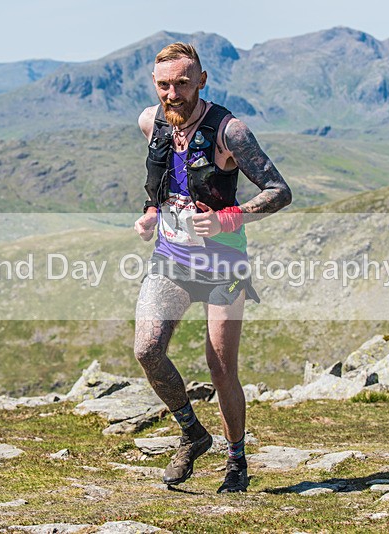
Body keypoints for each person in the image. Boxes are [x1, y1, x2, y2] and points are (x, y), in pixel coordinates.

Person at [133, 42, 292, 493]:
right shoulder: (151, 122)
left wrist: (228, 217)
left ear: (201, 80)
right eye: (164, 85)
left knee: (221, 368)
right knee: (147, 349)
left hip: (223, 263)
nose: (173, 93)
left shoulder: (230, 131)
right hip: (171, 258)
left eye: (183, 83)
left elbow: (279, 191)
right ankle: (192, 432)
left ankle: (236, 460)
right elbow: (164, 180)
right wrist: (150, 211)